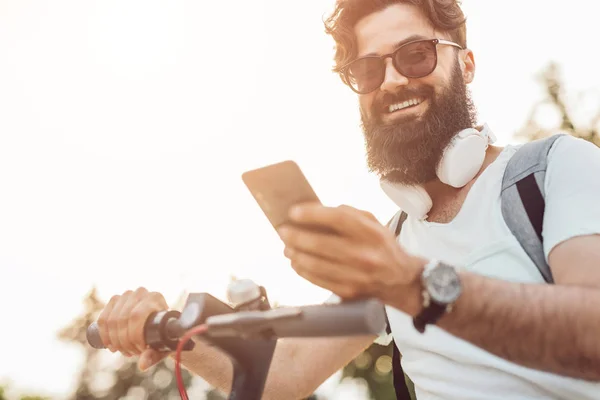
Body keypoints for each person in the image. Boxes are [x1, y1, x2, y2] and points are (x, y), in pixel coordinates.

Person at [96, 1, 600, 399]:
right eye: (368, 70)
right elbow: (282, 378)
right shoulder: (394, 242)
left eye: (416, 54)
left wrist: (410, 283)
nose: (394, 80)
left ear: (465, 65)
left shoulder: (555, 168)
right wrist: (168, 330)